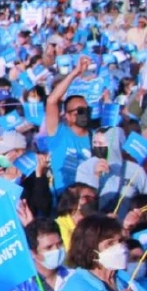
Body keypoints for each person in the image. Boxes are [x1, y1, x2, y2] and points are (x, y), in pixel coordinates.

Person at [44, 58, 94, 194]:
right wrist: (74, 73)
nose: (84, 114)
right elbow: (51, 101)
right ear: (67, 115)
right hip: (62, 201)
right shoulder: (58, 133)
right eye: (79, 111)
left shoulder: (96, 137)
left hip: (88, 202)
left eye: (86, 110)